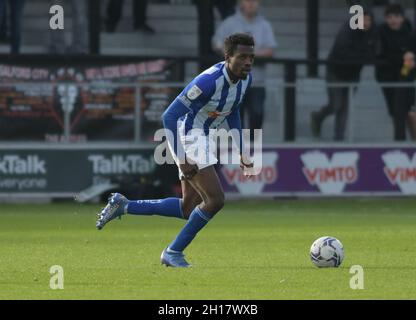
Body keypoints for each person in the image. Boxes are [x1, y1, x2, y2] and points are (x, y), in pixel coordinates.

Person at [96, 33, 256, 268]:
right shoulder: (208, 82)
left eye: (251, 57)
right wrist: (182, 159)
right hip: (189, 135)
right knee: (215, 200)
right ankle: (173, 252)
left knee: (188, 207)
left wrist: (242, 149)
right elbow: (169, 116)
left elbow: (232, 112)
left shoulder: (245, 79)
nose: (248, 62)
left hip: (204, 136)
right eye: (242, 57)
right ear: (228, 56)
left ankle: (125, 204)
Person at [310, 9, 378, 141]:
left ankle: (339, 138)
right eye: (363, 19)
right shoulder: (347, 30)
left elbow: (374, 51)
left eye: (369, 20)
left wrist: (365, 56)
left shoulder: (373, 32)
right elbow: (343, 52)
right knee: (336, 104)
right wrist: (363, 56)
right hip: (336, 71)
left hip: (354, 73)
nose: (366, 23)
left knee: (345, 107)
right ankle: (318, 117)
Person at [212, 0, 277, 135]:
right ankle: (238, 149)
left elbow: (270, 50)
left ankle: (254, 147)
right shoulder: (230, 22)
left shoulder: (264, 25)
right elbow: (216, 43)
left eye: (255, 1)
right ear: (241, 3)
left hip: (257, 81)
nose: (251, 4)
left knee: (257, 113)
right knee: (236, 117)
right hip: (235, 82)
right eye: (248, 1)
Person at [376, 4, 415, 141]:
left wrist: (411, 57)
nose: (394, 20)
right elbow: (383, 54)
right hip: (388, 78)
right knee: (397, 113)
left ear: (402, 18)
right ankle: (400, 144)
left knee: (410, 112)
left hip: (406, 76)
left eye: (397, 17)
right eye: (390, 17)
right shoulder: (380, 32)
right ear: (386, 18)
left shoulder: (409, 30)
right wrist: (403, 57)